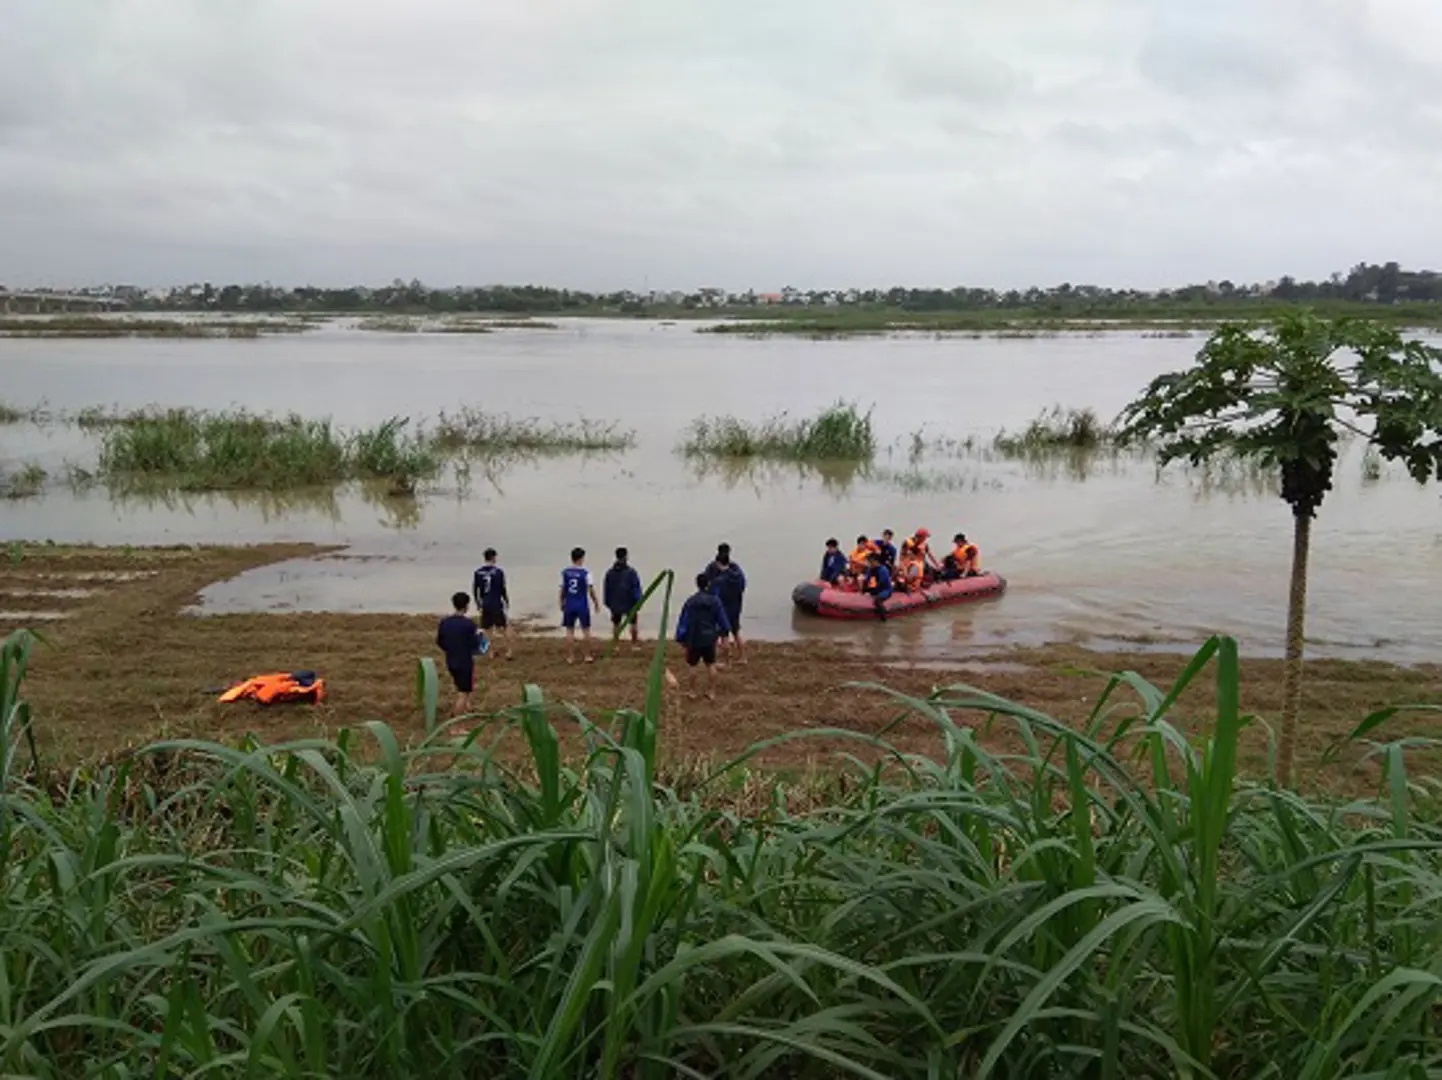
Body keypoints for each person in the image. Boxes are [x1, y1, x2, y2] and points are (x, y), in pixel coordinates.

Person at [675, 572, 732, 700]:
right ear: (708, 584)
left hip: (694, 637)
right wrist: (724, 634)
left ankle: (692, 691)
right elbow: (722, 620)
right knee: (711, 664)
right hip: (709, 637)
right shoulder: (715, 601)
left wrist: (681, 638)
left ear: (697, 584)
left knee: (692, 665)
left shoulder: (691, 601)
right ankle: (711, 691)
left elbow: (683, 620)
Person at [436, 591, 483, 715]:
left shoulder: (445, 622)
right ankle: (456, 725)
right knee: (464, 692)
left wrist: (451, 649)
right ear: (466, 606)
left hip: (451, 660)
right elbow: (476, 644)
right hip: (464, 662)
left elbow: (440, 641)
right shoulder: (469, 624)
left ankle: (467, 707)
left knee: (461, 687)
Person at [703, 542, 747, 664]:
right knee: (736, 631)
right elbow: (743, 585)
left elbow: (709, 588)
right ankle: (743, 657)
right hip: (736, 606)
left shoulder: (716, 573)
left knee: (724, 635)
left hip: (722, 607)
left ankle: (725, 661)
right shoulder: (736, 569)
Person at [559, 547, 600, 663]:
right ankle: (587, 656)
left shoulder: (565, 572)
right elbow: (591, 590)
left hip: (570, 603)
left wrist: (561, 602)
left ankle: (571, 657)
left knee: (569, 630)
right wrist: (596, 602)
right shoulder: (586, 573)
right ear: (581, 559)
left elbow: (562, 590)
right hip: (582, 604)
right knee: (586, 630)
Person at [472, 547, 513, 660]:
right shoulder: (499, 572)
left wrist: (478, 603)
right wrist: (507, 600)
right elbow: (502, 589)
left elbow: (475, 590)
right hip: (496, 603)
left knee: (487, 629)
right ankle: (509, 651)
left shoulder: (478, 572)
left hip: (485, 603)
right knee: (505, 627)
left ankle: (491, 652)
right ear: (493, 557)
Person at [603, 546, 644, 649]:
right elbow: (636, 587)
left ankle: (616, 644)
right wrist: (639, 601)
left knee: (616, 624)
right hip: (629, 602)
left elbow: (607, 588)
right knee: (633, 623)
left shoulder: (610, 573)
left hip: (615, 602)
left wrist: (607, 602)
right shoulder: (631, 572)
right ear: (626, 556)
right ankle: (634, 644)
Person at [863, 551, 894, 620]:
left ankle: (884, 619)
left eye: (870, 562)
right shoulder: (870, 569)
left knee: (877, 601)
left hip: (885, 590)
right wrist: (865, 590)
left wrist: (872, 591)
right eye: (868, 562)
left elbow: (882, 584)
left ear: (876, 561)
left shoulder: (883, 570)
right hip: (875, 588)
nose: (868, 563)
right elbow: (868, 581)